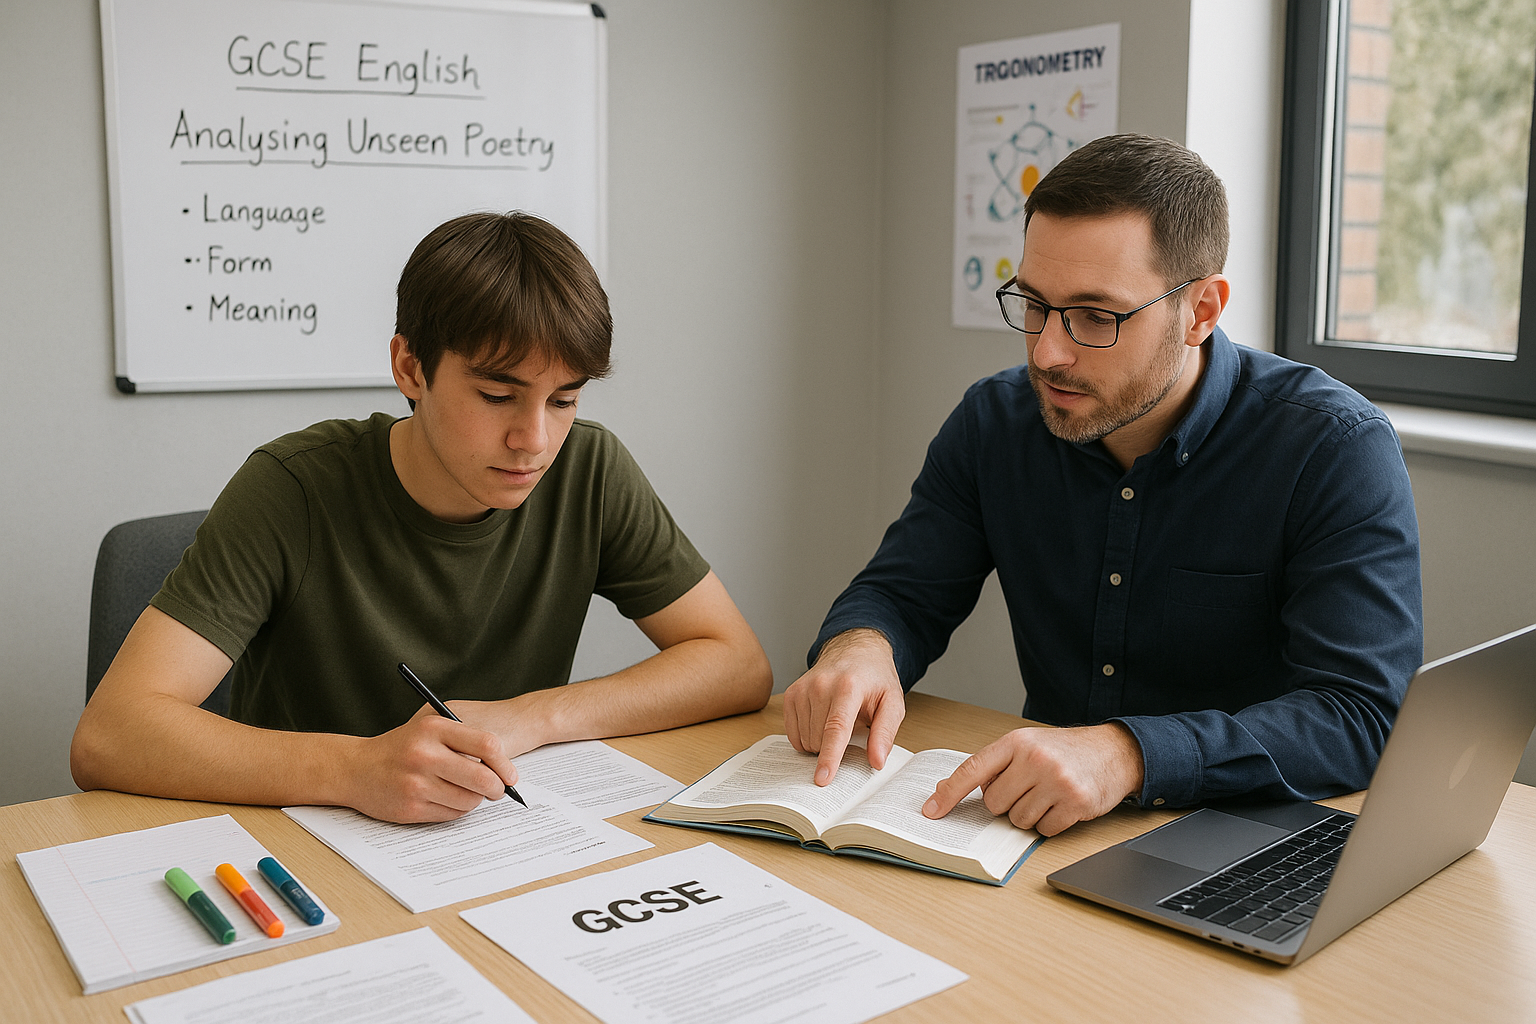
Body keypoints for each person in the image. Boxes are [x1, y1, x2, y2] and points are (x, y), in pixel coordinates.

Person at [784, 134, 1422, 837]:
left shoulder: (1333, 447)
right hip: (1038, 827)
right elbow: (903, 593)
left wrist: (1127, 755)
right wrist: (861, 646)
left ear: (1201, 312)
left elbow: (1362, 714)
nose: (1048, 352)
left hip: (1244, 835)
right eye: (1034, 303)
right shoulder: (994, 423)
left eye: (1096, 317)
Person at [72, 211, 772, 823]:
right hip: (303, 844)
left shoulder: (590, 469)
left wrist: (531, 717)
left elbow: (736, 663)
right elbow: (110, 735)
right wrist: (356, 770)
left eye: (564, 400)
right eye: (497, 395)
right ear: (410, 368)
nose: (535, 440)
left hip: (490, 836)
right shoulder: (292, 487)